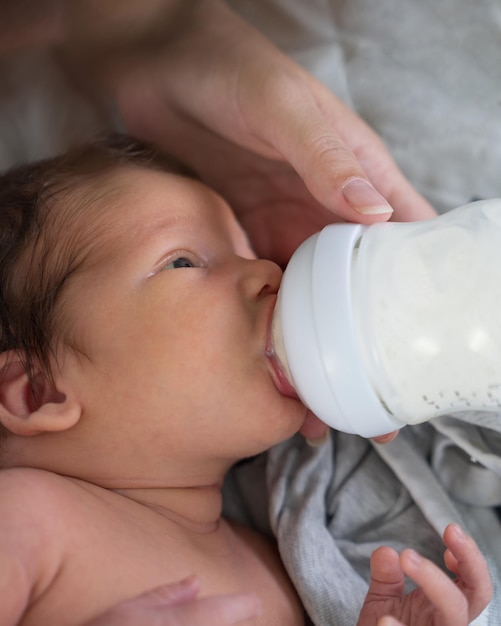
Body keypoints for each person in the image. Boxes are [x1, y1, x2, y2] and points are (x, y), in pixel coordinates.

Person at [0, 135, 492, 626]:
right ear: (38, 391)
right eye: (183, 261)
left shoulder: (277, 558)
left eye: (248, 251)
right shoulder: (26, 519)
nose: (267, 270)